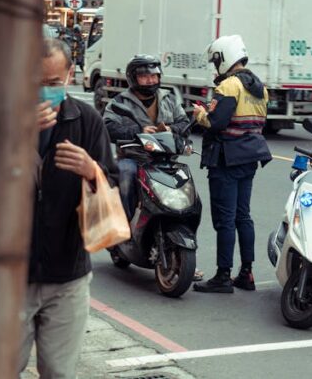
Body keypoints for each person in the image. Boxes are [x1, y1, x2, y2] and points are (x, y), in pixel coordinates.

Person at [20, 37, 119, 379]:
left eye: (52, 83)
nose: (43, 91)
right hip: (10, 275)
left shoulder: (86, 120)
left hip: (68, 276)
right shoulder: (5, 119)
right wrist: (17, 135)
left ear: (69, 76)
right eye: (35, 82)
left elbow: (115, 186)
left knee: (59, 372)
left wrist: (92, 171)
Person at [191, 35, 272, 293]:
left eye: (216, 61)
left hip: (226, 160)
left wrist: (200, 114)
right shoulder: (259, 88)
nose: (216, 67)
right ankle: (246, 273)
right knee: (242, 216)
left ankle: (223, 276)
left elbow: (216, 123)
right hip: (249, 157)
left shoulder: (229, 86)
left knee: (225, 219)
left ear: (224, 58)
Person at [103, 55, 191, 218]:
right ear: (133, 78)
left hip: (166, 159)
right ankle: (124, 224)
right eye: (144, 76)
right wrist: (138, 131)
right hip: (133, 159)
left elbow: (184, 123)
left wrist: (171, 129)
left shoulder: (169, 99)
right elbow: (107, 127)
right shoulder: (120, 102)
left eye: (154, 76)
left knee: (186, 183)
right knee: (125, 174)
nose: (151, 80)